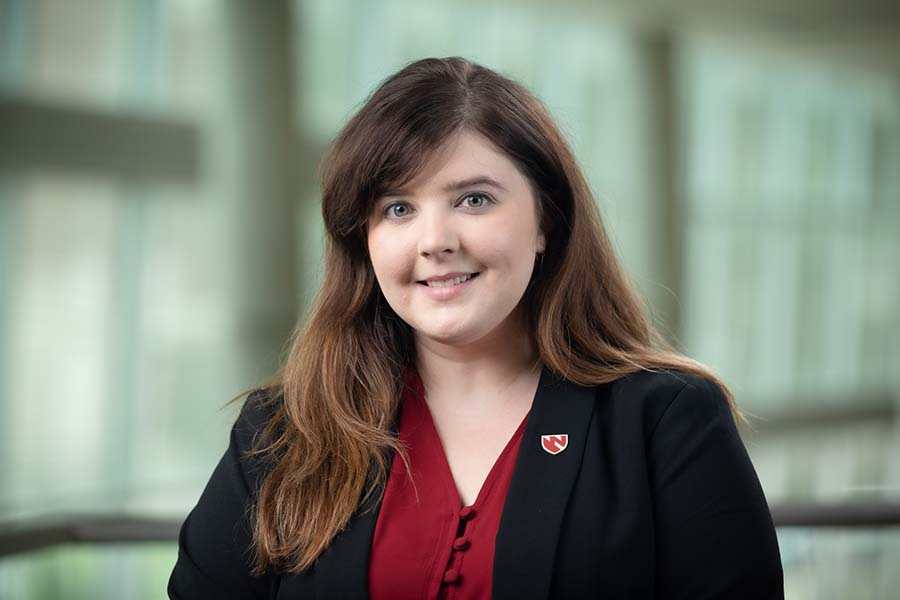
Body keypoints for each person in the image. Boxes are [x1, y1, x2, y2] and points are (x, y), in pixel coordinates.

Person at [168, 56, 783, 599]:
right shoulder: (284, 432)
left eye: (474, 200)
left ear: (547, 221)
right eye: (398, 209)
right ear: (366, 240)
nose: (435, 242)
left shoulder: (664, 421)